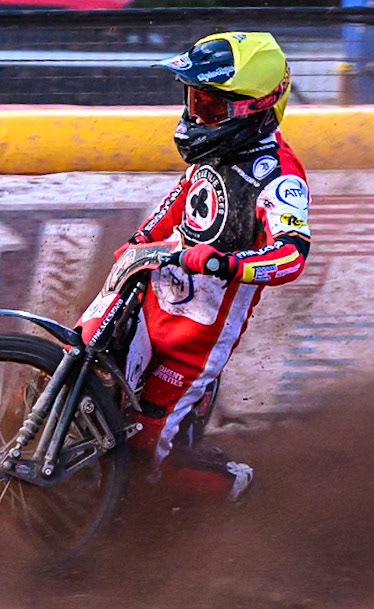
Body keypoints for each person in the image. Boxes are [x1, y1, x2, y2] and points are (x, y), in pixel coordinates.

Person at [104, 30, 311, 500]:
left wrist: (223, 264)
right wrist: (140, 242)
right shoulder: (212, 153)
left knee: (143, 462)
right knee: (81, 361)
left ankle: (235, 486)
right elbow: (177, 205)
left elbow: (292, 255)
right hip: (151, 300)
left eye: (213, 107)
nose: (198, 116)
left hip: (195, 341)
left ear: (255, 107)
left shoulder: (280, 177)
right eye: (195, 100)